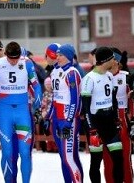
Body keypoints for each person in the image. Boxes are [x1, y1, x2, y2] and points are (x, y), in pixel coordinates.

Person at [0, 41, 42, 182]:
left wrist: (37, 101)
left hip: (22, 111)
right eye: (11, 58)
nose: (14, 62)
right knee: (7, 153)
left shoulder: (27, 63)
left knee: (25, 153)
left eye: (16, 58)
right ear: (5, 54)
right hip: (4, 111)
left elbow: (36, 85)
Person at [81, 46, 123, 183]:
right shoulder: (89, 78)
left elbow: (114, 100)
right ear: (106, 60)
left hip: (109, 123)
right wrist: (91, 129)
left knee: (118, 159)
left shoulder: (110, 76)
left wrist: (116, 119)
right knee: (96, 162)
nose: (115, 61)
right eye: (113, 59)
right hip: (95, 124)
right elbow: (86, 108)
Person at [48, 44, 84, 183]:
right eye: (57, 55)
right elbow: (54, 96)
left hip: (67, 117)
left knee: (69, 158)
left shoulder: (72, 73)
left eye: (61, 55)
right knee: (64, 157)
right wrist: (49, 116)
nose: (58, 57)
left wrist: (69, 121)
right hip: (57, 117)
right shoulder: (55, 71)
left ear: (68, 56)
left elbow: (75, 99)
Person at [102, 47, 134, 183]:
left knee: (124, 160)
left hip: (122, 121)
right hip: (105, 121)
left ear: (116, 61)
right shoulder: (100, 77)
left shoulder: (126, 77)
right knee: (108, 160)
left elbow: (132, 103)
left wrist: (133, 121)